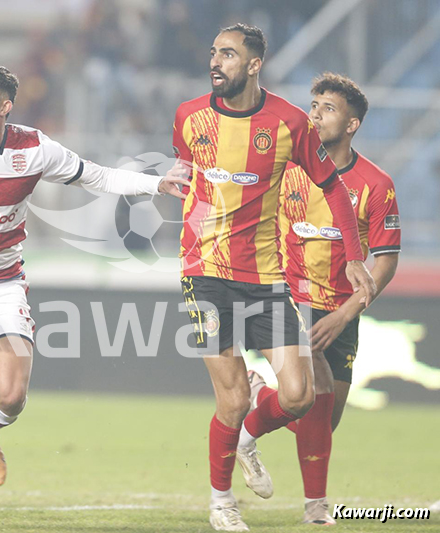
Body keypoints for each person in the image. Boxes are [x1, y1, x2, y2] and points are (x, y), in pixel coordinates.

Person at [0, 62, 188, 520]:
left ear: (4, 106)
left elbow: (97, 176)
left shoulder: (34, 147)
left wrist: (157, 183)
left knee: (11, 398)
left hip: (1, 283)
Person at [172, 24, 376, 531]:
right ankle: (221, 501)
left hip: (264, 278)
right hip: (206, 274)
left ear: (255, 64)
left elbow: (333, 189)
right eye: (214, 51)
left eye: (229, 54)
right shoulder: (189, 116)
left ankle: (247, 438)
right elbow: (185, 176)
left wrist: (354, 256)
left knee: (300, 396)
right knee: (233, 397)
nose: (216, 61)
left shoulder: (288, 122)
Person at [246, 73, 400, 525]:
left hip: (341, 311)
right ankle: (317, 509)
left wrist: (347, 313)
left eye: (327, 108)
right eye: (313, 105)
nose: (314, 114)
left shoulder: (375, 183)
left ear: (352, 124)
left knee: (320, 422)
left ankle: (257, 408)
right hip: (286, 295)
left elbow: (386, 261)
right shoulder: (284, 169)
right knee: (314, 388)